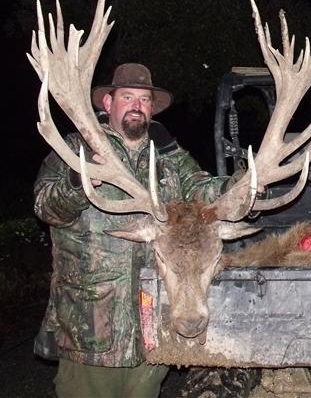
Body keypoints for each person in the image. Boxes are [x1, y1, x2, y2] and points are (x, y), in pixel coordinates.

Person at [33, 63, 232, 398]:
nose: (137, 105)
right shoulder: (74, 151)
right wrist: (77, 181)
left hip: (153, 322)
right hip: (92, 327)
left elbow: (203, 189)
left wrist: (240, 189)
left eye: (144, 99)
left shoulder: (169, 157)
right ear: (107, 104)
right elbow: (45, 207)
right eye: (127, 97)